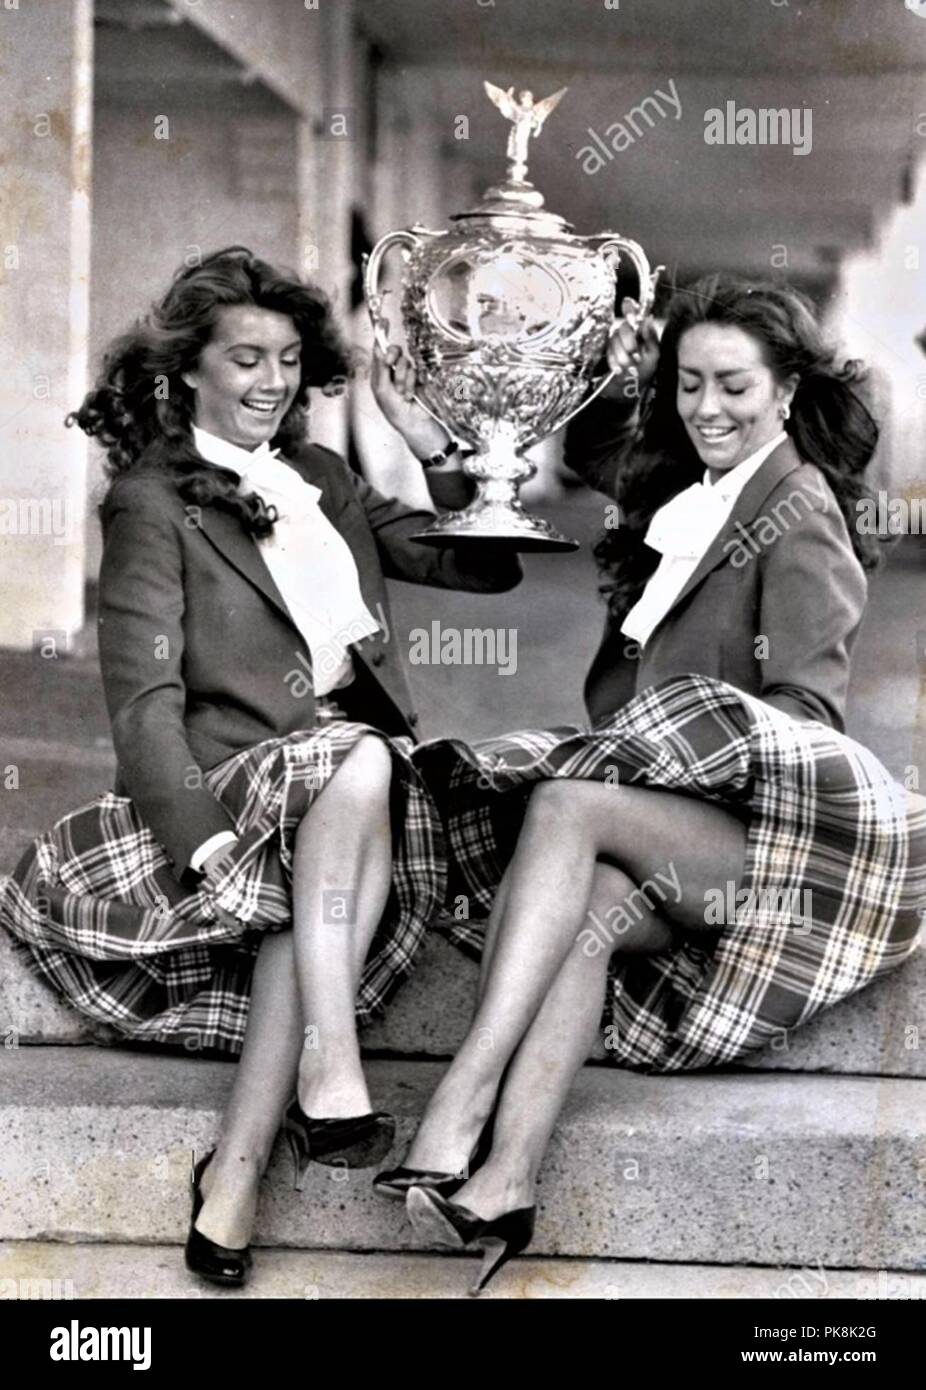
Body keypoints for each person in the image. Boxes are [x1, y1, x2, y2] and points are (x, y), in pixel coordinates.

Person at [386, 275, 926, 1293]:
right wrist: (537, 371)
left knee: (562, 802)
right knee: (586, 896)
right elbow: (593, 442)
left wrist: (663, 749)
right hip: (658, 841)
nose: (706, 409)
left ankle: (462, 1096)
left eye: (731, 386)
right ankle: (504, 1181)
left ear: (782, 390)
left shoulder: (796, 509)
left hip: (757, 845)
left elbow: (805, 718)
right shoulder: (690, 499)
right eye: (686, 385)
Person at [0, 246, 520, 1288]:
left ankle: (236, 1171)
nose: (271, 381)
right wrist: (206, 844)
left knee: (346, 799)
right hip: (231, 780)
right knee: (356, 767)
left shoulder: (323, 477)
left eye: (287, 358)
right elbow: (144, 702)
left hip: (342, 791)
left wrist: (434, 444)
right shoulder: (152, 500)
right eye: (245, 359)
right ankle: (319, 1077)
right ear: (187, 369)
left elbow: (482, 559)